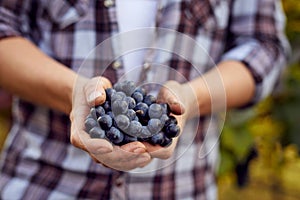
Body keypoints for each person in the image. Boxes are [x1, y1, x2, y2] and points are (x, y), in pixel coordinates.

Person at [0, 0, 289, 199]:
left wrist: (191, 96)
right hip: (42, 184)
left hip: (181, 189)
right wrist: (73, 92)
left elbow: (264, 47)